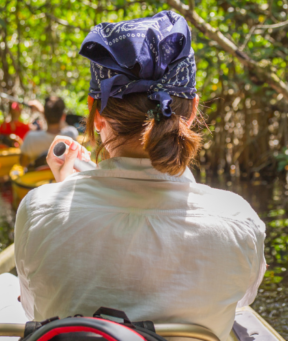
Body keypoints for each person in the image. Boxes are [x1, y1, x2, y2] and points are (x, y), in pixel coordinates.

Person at [14, 11, 266, 341]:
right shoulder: (239, 220)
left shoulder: (39, 209)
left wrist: (62, 191)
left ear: (97, 113)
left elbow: (37, 311)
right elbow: (240, 302)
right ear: (191, 110)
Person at [18, 96, 79, 168]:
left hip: (38, 178)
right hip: (62, 178)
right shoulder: (70, 135)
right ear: (63, 116)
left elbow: (22, 162)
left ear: (44, 116)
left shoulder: (31, 137)